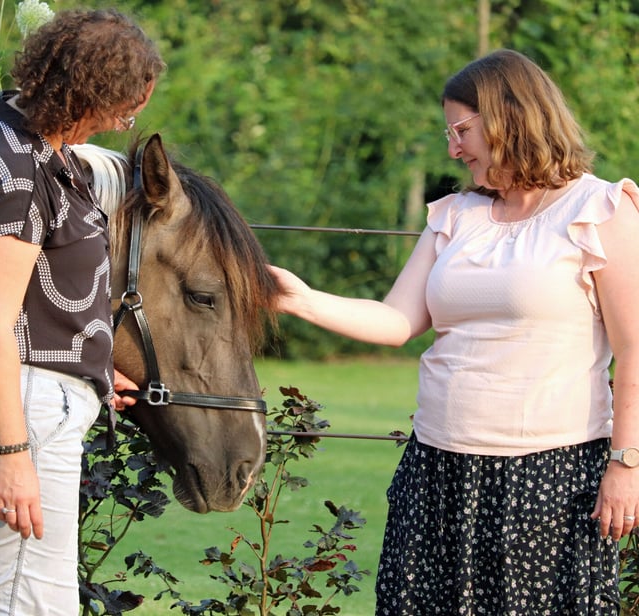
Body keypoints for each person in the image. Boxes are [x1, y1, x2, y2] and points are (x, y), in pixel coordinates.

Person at [270, 48, 639, 614]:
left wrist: (625, 463)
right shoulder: (456, 214)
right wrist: (301, 299)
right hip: (436, 470)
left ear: (510, 116)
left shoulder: (600, 208)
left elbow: (635, 351)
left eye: (461, 129)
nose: (453, 147)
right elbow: (397, 321)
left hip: (548, 477)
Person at [0, 9, 165, 615]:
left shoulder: (31, 145)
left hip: (18, 396)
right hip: (7, 406)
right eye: (125, 111)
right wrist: (12, 453)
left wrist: (89, 362)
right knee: (21, 608)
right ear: (90, 95)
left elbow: (34, 298)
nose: (123, 123)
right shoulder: (18, 170)